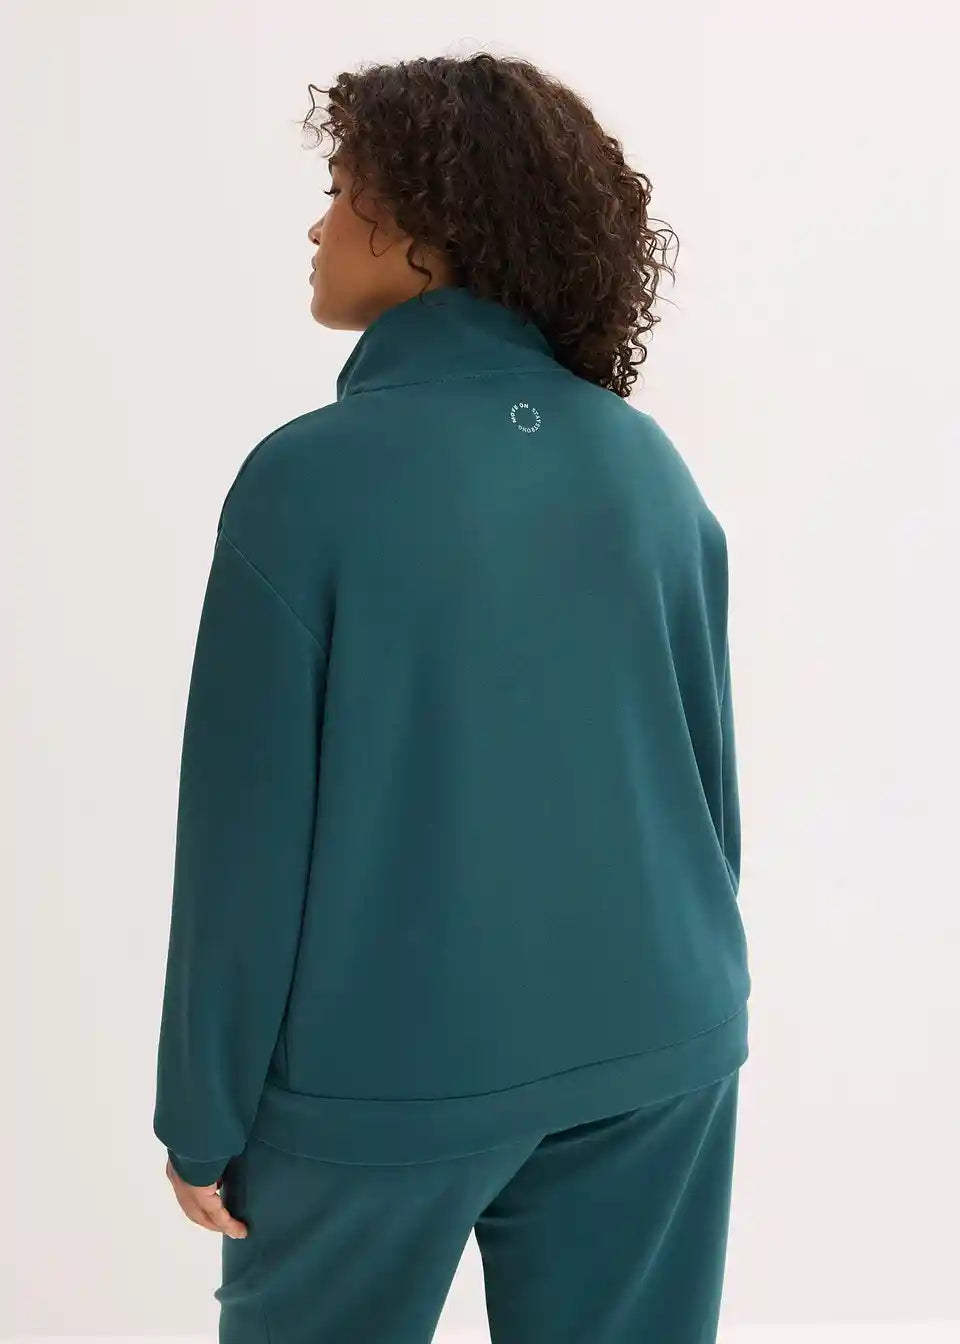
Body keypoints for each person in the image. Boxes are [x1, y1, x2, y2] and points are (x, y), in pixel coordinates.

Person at [153, 51, 751, 1344]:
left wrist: (199, 1110)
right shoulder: (645, 462)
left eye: (341, 190)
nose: (319, 226)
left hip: (382, 1081)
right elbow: (709, 797)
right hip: (664, 1041)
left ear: (430, 228)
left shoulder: (306, 484)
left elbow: (243, 838)